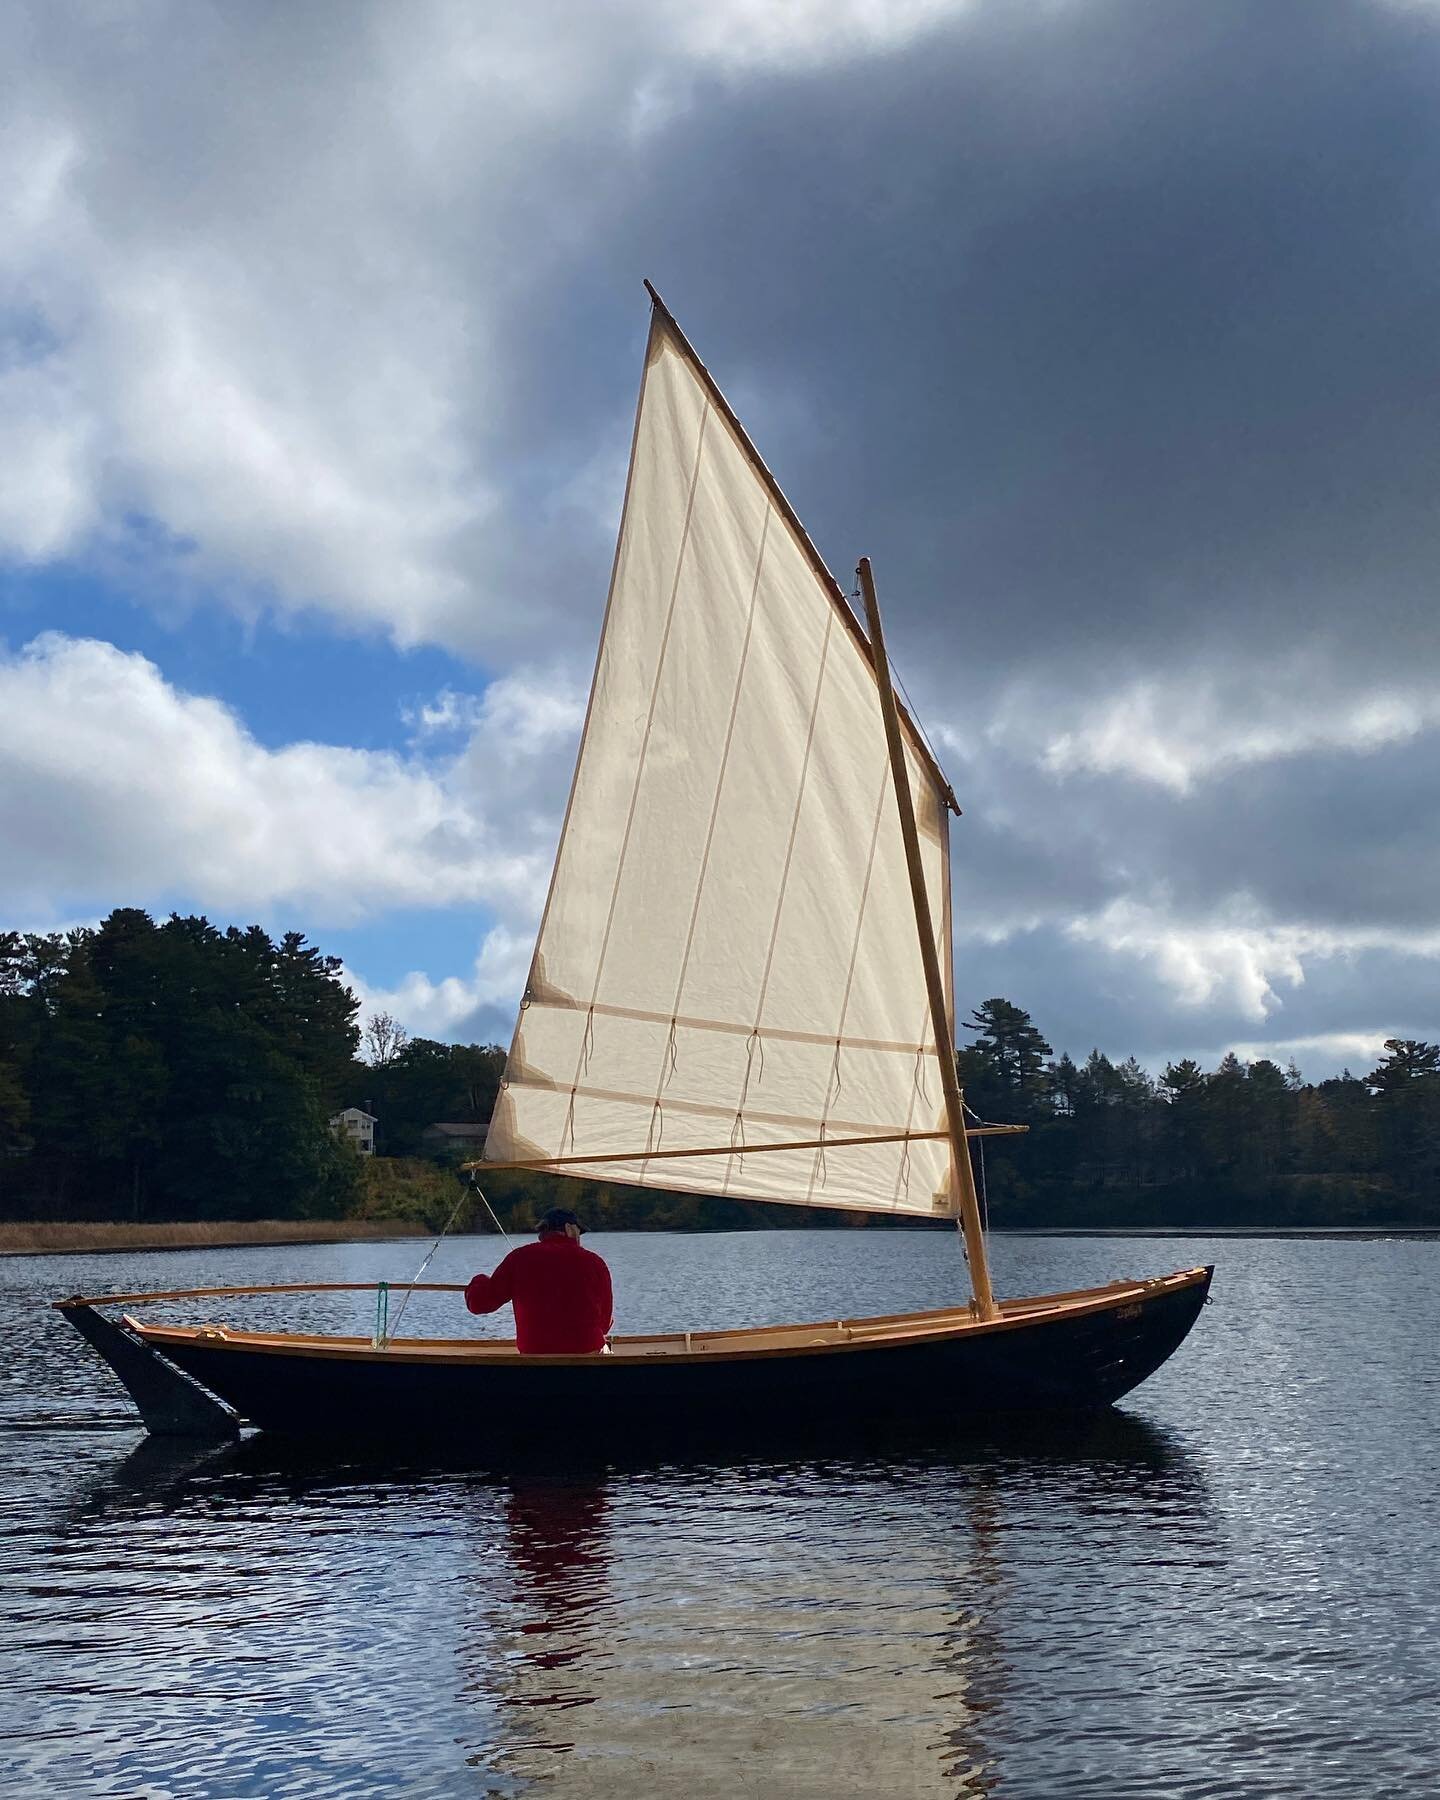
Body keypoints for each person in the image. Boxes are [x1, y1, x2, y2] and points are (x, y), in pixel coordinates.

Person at [465, 1208, 613, 1354]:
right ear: (569, 1229)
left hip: (535, 1356)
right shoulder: (596, 1263)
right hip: (586, 1356)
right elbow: (604, 1325)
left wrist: (479, 1281)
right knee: (606, 1349)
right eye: (578, 1232)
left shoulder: (519, 1258)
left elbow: (479, 1303)